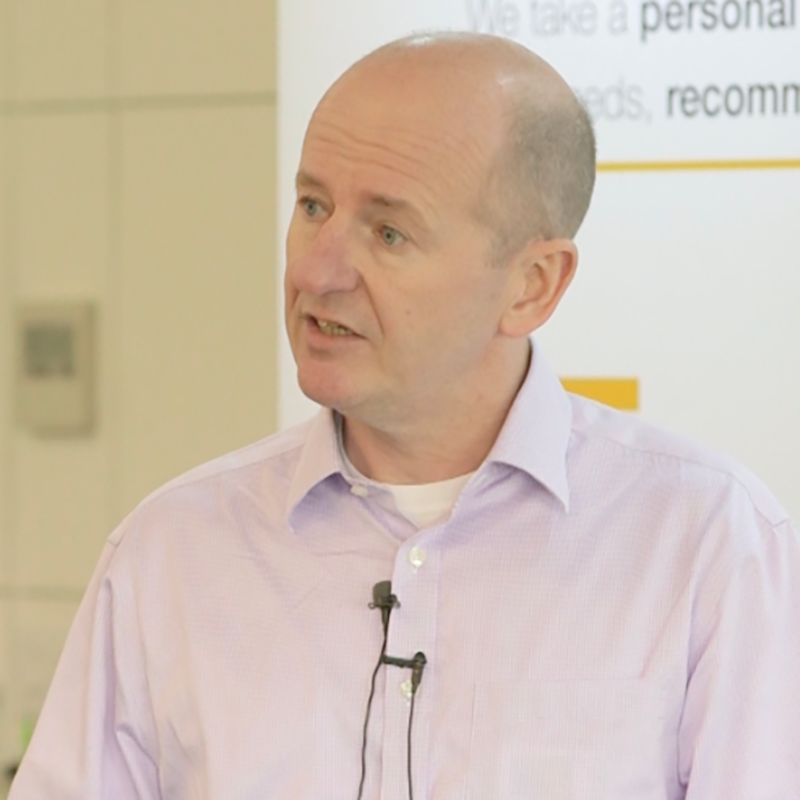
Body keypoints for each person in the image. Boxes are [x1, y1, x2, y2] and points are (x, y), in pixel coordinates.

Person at [9, 32, 800, 800]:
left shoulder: (707, 546)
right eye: (312, 205)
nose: (317, 270)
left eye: (389, 233)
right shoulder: (170, 554)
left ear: (532, 285)